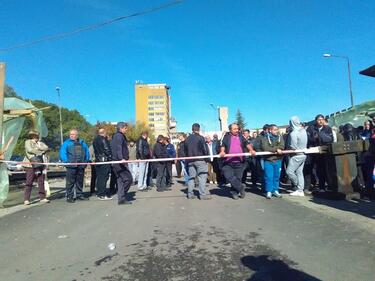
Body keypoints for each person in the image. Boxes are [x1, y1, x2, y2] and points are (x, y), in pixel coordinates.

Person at [219, 123, 256, 200]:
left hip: (239, 162)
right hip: (228, 162)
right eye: (234, 129)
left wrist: (251, 150)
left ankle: (235, 193)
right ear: (230, 130)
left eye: (237, 128)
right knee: (229, 177)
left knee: (238, 178)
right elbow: (223, 145)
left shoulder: (241, 136)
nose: (237, 130)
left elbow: (247, 144)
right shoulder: (226, 137)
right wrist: (222, 152)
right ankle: (241, 187)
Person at [60, 129, 90, 203]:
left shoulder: (82, 143)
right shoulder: (66, 143)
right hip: (71, 166)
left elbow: (87, 152)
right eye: (71, 134)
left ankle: (79, 195)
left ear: (77, 135)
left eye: (73, 134)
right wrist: (66, 161)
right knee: (70, 182)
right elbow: (62, 153)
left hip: (81, 165)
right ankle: (69, 196)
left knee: (80, 181)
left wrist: (86, 161)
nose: (71, 135)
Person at [307, 114, 334, 191]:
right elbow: (308, 139)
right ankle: (321, 186)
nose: (320, 121)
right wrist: (314, 138)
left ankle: (330, 186)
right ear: (316, 120)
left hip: (325, 152)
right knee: (319, 170)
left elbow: (330, 139)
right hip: (315, 153)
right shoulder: (311, 128)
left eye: (322, 119)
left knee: (328, 169)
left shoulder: (327, 128)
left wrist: (320, 135)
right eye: (319, 119)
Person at [23, 130, 50, 205]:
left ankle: (42, 197)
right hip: (30, 164)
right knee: (29, 181)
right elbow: (29, 150)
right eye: (34, 135)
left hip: (40, 163)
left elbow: (46, 148)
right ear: (31, 136)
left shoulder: (40, 143)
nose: (36, 137)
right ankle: (26, 199)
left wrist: (39, 148)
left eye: (37, 136)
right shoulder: (28, 142)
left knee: (41, 180)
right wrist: (40, 151)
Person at [185, 123, 210, 200]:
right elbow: (204, 149)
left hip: (190, 160)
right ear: (199, 129)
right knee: (202, 177)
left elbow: (185, 150)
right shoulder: (201, 138)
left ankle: (190, 194)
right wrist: (207, 159)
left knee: (191, 178)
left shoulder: (187, 138)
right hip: (200, 160)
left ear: (192, 129)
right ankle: (202, 195)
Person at [111, 122, 133, 205]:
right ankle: (122, 195)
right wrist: (121, 159)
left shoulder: (116, 136)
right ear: (121, 128)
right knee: (128, 179)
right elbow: (118, 147)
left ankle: (121, 199)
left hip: (117, 162)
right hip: (119, 162)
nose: (126, 129)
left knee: (120, 180)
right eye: (125, 128)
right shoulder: (119, 136)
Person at [261, 124, 285, 199]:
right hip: (268, 161)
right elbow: (265, 147)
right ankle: (269, 191)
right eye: (274, 130)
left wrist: (277, 148)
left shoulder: (280, 137)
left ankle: (275, 190)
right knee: (268, 176)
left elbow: (282, 146)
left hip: (278, 160)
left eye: (277, 129)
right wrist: (276, 149)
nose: (276, 131)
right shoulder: (265, 138)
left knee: (276, 176)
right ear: (270, 130)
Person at [286, 116, 308, 197]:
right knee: (299, 173)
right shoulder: (304, 131)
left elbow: (293, 147)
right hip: (303, 154)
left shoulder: (293, 133)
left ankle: (298, 185)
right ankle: (300, 190)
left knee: (289, 172)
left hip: (296, 155)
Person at [92, 128, 113, 200]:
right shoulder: (103, 139)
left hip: (98, 160)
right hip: (104, 160)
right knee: (104, 178)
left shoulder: (95, 140)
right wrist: (110, 157)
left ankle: (99, 193)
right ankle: (102, 194)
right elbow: (107, 149)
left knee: (100, 177)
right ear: (104, 133)